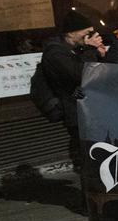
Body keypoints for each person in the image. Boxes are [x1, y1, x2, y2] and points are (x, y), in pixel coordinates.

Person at [40, 10, 100, 173]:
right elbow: (82, 74)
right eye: (87, 32)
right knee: (87, 155)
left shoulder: (73, 50)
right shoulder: (55, 53)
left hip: (84, 108)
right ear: (71, 33)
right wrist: (90, 50)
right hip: (74, 111)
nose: (91, 35)